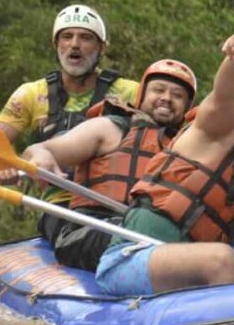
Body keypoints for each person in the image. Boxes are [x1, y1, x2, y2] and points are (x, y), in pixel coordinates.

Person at [95, 15, 234, 294]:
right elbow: (224, 95)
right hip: (130, 260)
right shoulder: (217, 132)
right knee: (221, 259)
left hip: (191, 284)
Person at [20, 59, 197, 271]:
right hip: (89, 230)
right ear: (141, 96)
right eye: (158, 90)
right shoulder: (110, 129)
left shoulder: (186, 151)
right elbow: (41, 149)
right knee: (149, 236)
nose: (166, 98)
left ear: (187, 108)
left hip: (147, 239)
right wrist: (40, 155)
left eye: (177, 95)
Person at [0, 4, 138, 145]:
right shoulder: (30, 94)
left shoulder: (131, 92)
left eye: (85, 37)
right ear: (56, 44)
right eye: (67, 36)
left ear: (102, 48)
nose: (75, 44)